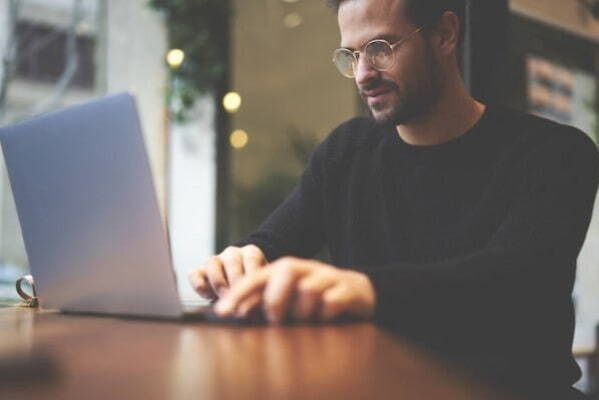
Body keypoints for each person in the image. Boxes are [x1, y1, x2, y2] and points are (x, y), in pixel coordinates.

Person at [189, 0, 599, 398]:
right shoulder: (347, 151)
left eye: (380, 49)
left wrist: (364, 290)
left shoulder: (555, 153)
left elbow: (513, 281)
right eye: (350, 55)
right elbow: (273, 242)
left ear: (444, 34)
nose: (363, 74)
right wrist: (241, 258)